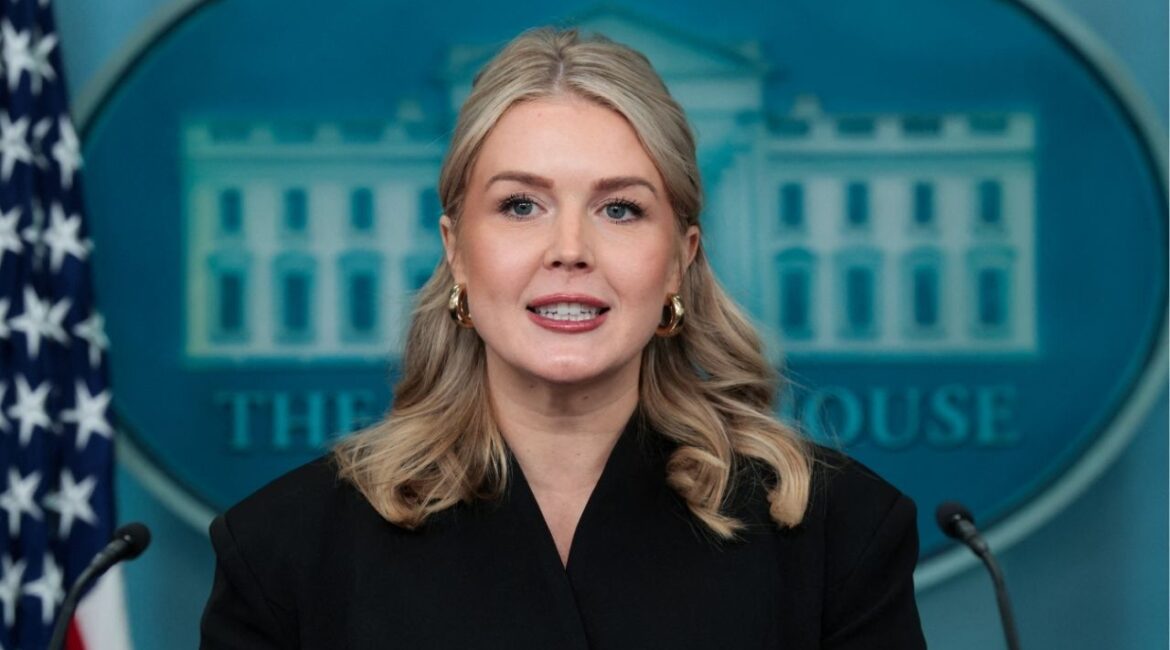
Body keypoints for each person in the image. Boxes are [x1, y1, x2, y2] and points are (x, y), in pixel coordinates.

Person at [200, 27, 926, 649]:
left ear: (681, 257)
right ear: (455, 250)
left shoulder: (838, 535)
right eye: (521, 205)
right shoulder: (282, 552)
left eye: (620, 209)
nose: (569, 248)